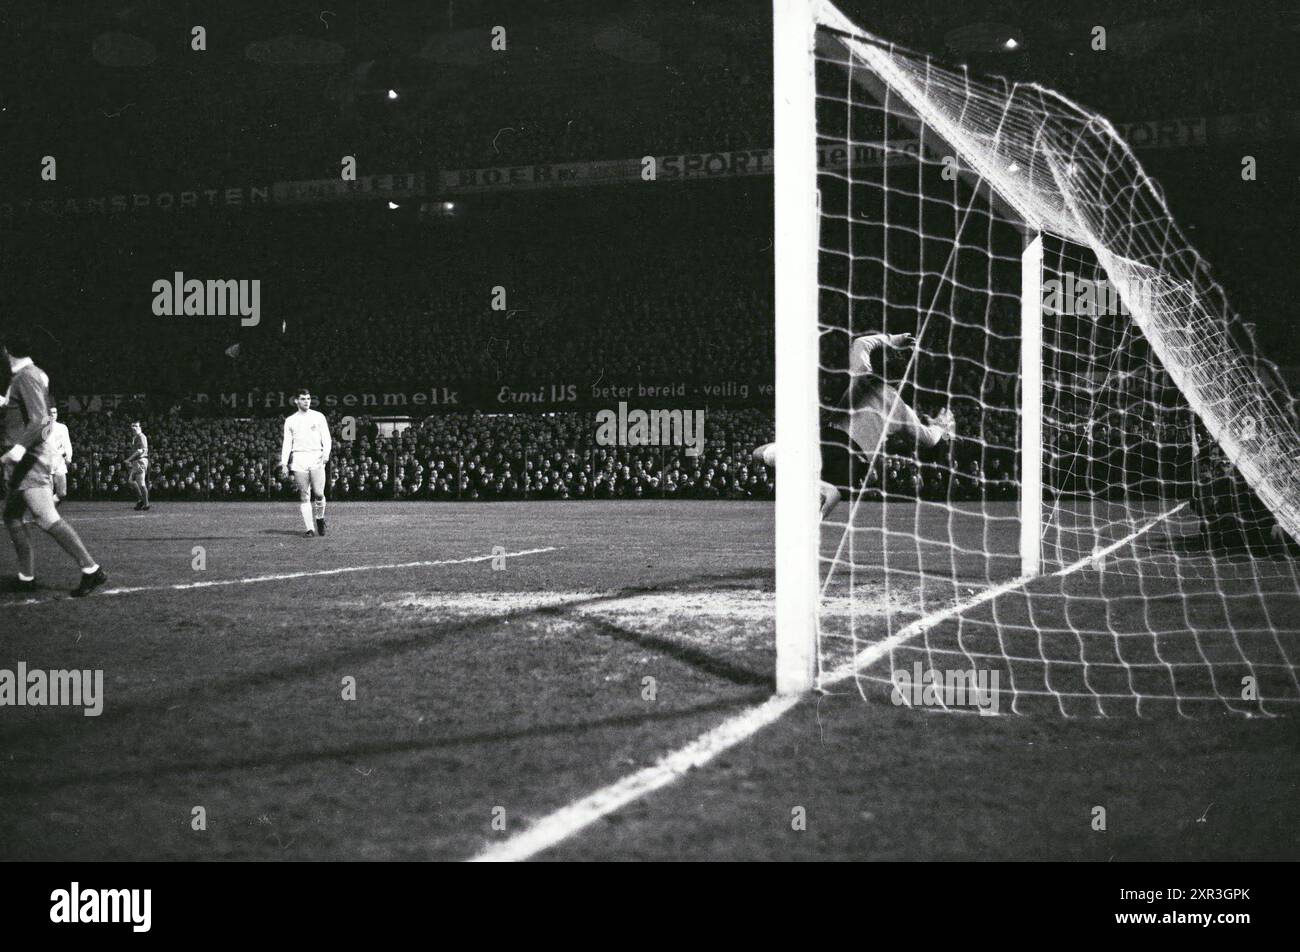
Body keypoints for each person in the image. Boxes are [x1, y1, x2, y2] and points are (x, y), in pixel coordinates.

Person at [753, 332, 955, 519]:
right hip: (854, 467)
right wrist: (941, 426)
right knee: (810, 490)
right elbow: (929, 439)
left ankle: (818, 492)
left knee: (760, 454)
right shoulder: (900, 408)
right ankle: (820, 498)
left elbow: (861, 343)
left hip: (830, 443)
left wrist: (895, 338)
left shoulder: (862, 378)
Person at [1, 327, 106, 596]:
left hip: (27, 460)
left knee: (46, 518)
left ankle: (91, 570)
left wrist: (19, 450)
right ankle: (26, 577)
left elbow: (39, 419)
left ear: (6, 351)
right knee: (12, 517)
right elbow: (39, 417)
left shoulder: (26, 377)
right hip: (27, 458)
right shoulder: (31, 376)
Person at [280, 388, 332, 537]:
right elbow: (287, 443)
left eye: (308, 399)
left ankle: (320, 519)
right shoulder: (290, 420)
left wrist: (325, 454)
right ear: (296, 401)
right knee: (304, 495)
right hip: (299, 458)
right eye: (303, 399)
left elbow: (327, 438)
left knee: (319, 493)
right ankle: (310, 529)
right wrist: (284, 463)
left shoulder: (318, 416)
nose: (306, 401)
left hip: (316, 456)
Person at [48, 406, 72, 503]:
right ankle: (47, 515)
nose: (52, 415)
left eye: (54, 412)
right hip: (46, 461)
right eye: (50, 413)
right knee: (48, 492)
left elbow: (67, 443)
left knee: (62, 493)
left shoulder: (62, 427)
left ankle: (48, 510)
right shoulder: (42, 427)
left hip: (59, 461)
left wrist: (69, 457)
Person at [125, 420, 150, 511]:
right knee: (131, 481)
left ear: (140, 427)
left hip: (140, 461)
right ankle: (141, 500)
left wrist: (129, 459)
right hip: (136, 461)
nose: (133, 427)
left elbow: (140, 450)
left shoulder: (141, 436)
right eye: (132, 426)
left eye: (136, 426)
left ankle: (145, 503)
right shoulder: (135, 437)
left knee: (141, 483)